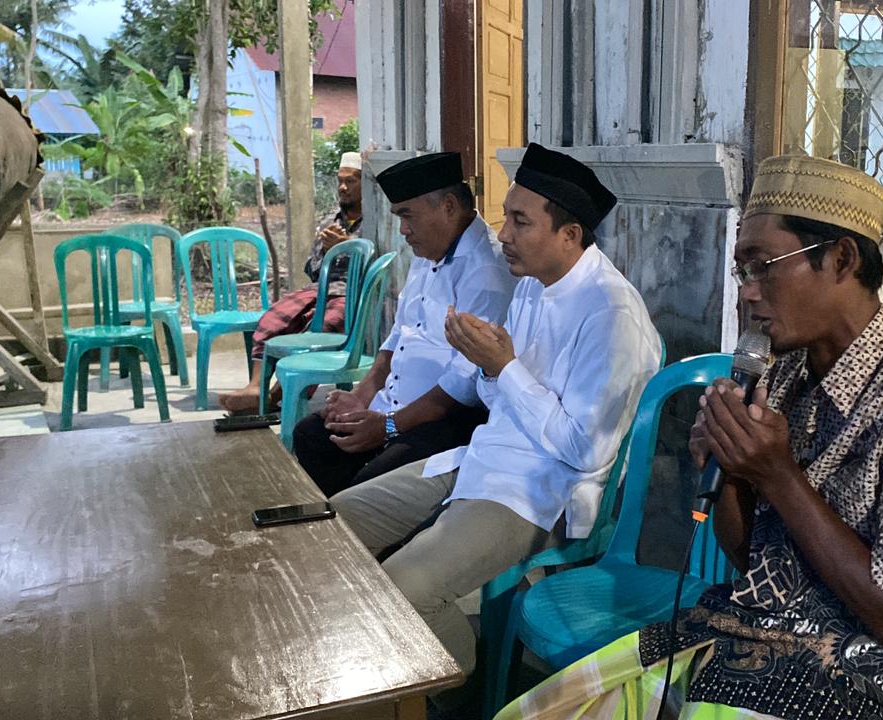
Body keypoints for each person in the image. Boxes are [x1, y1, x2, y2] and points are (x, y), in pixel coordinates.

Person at [498, 155, 883, 719]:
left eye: (764, 266)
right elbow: (756, 566)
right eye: (742, 272)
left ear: (840, 259)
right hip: (767, 632)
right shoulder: (783, 376)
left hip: (871, 680)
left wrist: (778, 475)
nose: (747, 293)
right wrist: (728, 476)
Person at [331, 143, 663, 686]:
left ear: (570, 235)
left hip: (543, 491)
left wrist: (503, 366)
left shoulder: (612, 314)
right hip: (484, 459)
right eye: (506, 216)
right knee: (334, 528)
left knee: (405, 589)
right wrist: (489, 369)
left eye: (519, 221)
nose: (501, 233)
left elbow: (585, 450)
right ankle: (402, 672)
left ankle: (467, 693)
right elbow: (496, 400)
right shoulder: (533, 284)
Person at [291, 151, 516, 497]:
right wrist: (362, 396)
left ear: (449, 207)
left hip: (447, 420)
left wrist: (389, 427)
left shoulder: (486, 271)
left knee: (368, 486)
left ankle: (366, 543)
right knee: (312, 434)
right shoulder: (428, 251)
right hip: (392, 409)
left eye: (408, 216)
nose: (403, 230)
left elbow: (465, 382)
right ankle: (338, 538)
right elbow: (399, 333)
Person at [218, 152, 366, 413]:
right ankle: (256, 386)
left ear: (365, 184)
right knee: (276, 316)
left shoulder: (376, 223)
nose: (343, 188)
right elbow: (312, 268)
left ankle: (278, 394)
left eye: (351, 182)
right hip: (321, 288)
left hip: (352, 294)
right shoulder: (330, 221)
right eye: (340, 181)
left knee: (321, 326)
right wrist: (326, 252)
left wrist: (346, 248)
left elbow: (376, 267)